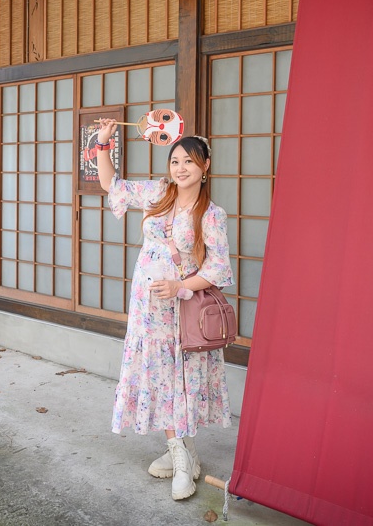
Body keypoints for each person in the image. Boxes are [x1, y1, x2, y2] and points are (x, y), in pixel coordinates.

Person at [95, 118, 234, 501]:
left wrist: (179, 287)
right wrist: (103, 144)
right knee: (159, 375)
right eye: (175, 161)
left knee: (179, 378)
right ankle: (183, 453)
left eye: (189, 161)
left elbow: (219, 268)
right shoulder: (159, 193)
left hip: (182, 307)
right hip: (147, 304)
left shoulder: (212, 214)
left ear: (205, 167)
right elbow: (113, 186)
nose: (180, 168)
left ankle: (183, 461)